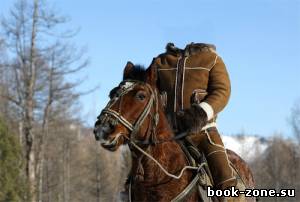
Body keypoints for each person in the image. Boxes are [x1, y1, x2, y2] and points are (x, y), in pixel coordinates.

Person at [148, 42, 237, 190]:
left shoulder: (212, 59)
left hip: (203, 132)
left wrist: (200, 113)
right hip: (166, 134)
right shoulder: (159, 61)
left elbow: (222, 91)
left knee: (224, 178)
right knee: (139, 172)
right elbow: (146, 90)